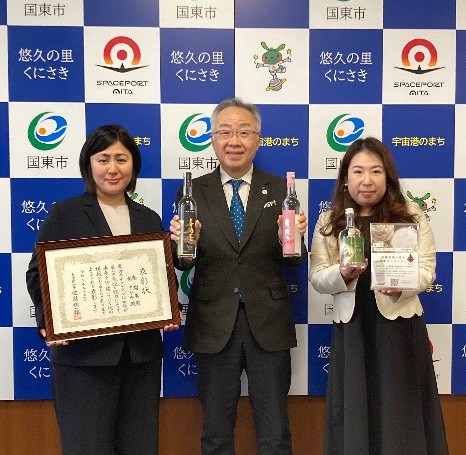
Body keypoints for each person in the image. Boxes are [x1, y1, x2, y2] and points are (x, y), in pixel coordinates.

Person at [26, 124, 179, 455]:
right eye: (103, 159)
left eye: (121, 159)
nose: (113, 168)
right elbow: (38, 273)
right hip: (83, 359)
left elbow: (162, 275)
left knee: (140, 447)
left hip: (140, 357)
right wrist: (50, 320)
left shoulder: (148, 218)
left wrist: (168, 307)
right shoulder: (65, 213)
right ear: (89, 164)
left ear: (133, 165)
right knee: (88, 447)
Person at [169, 97, 308, 455]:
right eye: (225, 132)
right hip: (213, 323)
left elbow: (295, 261)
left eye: (244, 132)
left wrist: (293, 240)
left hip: (268, 323)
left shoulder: (280, 190)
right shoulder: (192, 192)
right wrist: (181, 243)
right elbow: (182, 263)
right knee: (215, 433)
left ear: (258, 140)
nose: (234, 141)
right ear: (212, 139)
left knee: (275, 433)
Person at [309, 137, 449, 455]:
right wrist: (342, 274)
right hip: (353, 328)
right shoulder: (330, 221)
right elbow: (317, 277)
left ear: (388, 177)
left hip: (398, 327)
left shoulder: (410, 216)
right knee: (354, 411)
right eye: (358, 171)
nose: (367, 180)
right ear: (346, 178)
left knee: (401, 411)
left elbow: (427, 270)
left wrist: (402, 286)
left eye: (376, 171)